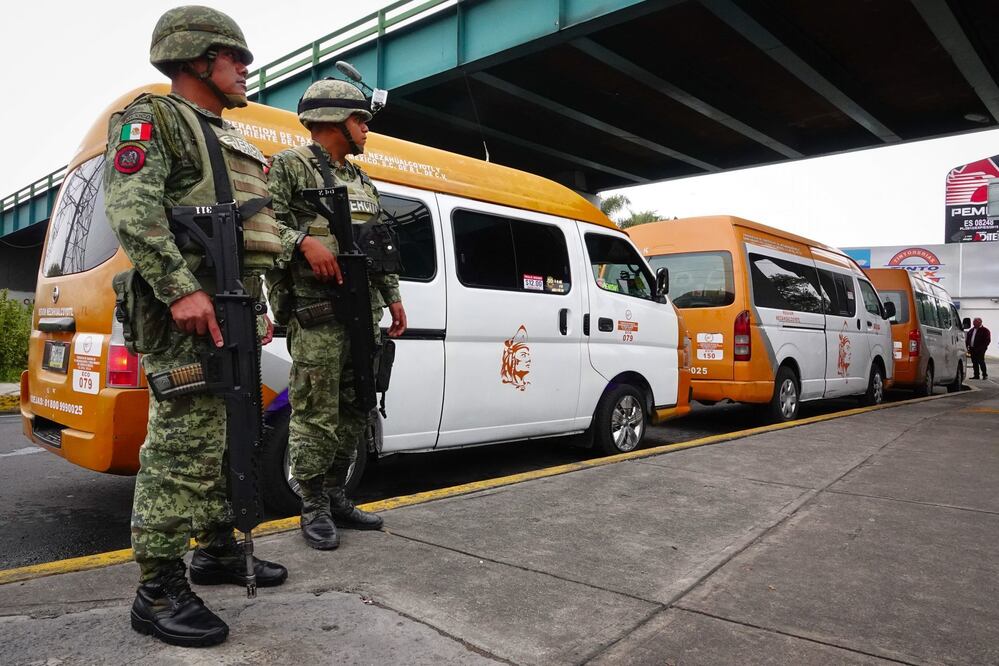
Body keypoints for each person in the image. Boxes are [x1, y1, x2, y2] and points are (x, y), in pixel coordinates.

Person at [104, 6, 295, 647]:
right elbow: (132, 208)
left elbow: (244, 237)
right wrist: (181, 289)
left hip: (231, 306)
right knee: (183, 444)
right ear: (195, 60)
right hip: (184, 309)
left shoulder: (226, 135)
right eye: (234, 57)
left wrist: (259, 308)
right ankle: (156, 591)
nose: (246, 68)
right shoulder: (154, 117)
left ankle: (214, 550)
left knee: (228, 435)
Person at [266, 77, 406, 550]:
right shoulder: (290, 166)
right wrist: (303, 243)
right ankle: (312, 505)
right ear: (332, 121)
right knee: (315, 411)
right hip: (319, 313)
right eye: (359, 119)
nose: (366, 129)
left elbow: (379, 247)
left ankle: (337, 494)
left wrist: (393, 297)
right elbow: (264, 226)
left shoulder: (362, 181)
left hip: (364, 315)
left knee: (357, 407)